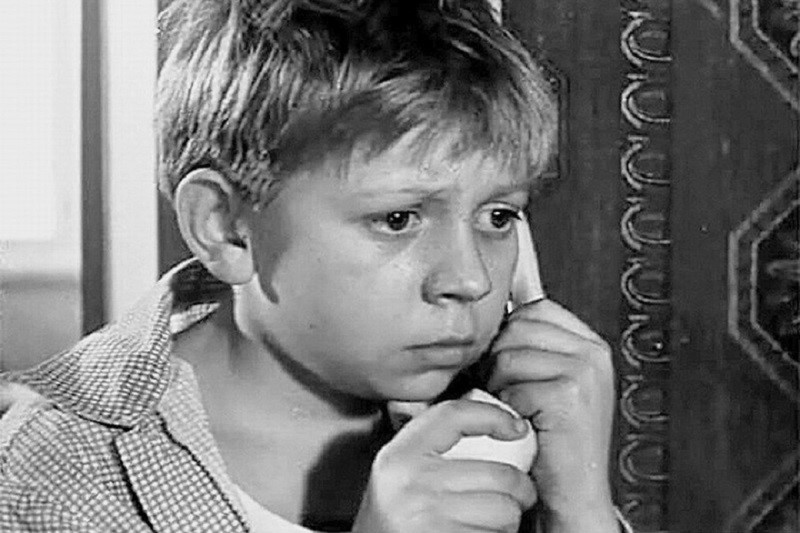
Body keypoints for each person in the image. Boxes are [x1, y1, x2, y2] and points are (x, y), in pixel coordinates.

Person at [0, 1, 631, 531]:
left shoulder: (498, 427)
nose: (470, 280)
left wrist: (581, 512)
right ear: (226, 227)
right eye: (398, 219)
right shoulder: (46, 477)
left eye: (497, 216)